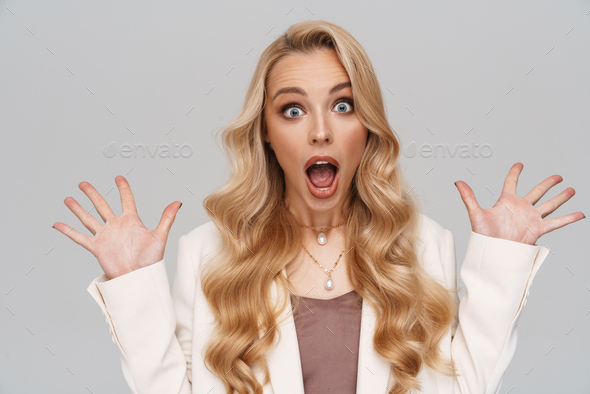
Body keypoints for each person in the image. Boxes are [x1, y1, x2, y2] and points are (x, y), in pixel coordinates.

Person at [53, 20, 584, 394]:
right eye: (292, 109)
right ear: (265, 131)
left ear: (366, 126)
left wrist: (503, 262)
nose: (321, 130)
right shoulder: (208, 254)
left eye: (343, 104)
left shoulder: (423, 245)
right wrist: (133, 286)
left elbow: (465, 387)